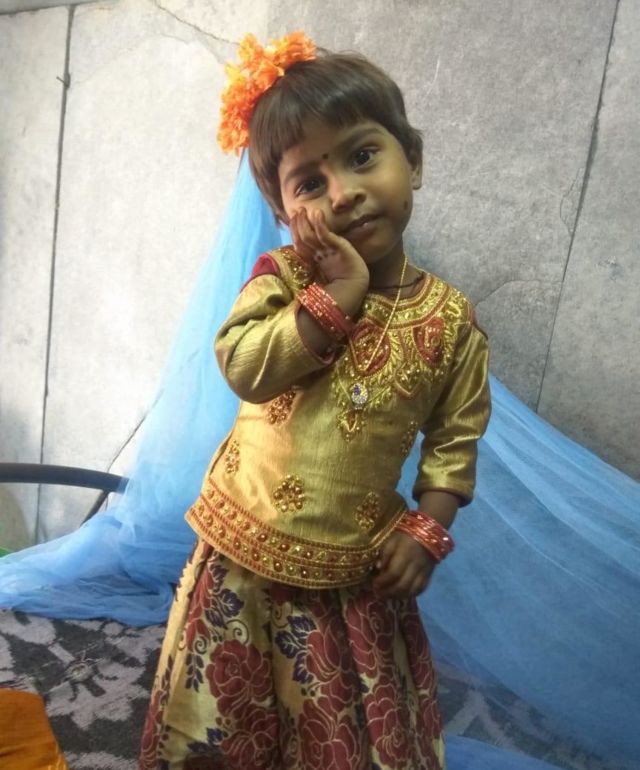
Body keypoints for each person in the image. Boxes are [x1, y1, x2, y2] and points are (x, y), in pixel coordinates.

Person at [139, 32, 490, 770]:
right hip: (241, 551)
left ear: (413, 160)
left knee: (339, 728)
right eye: (309, 183)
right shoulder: (282, 279)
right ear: (283, 211)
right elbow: (244, 366)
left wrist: (429, 529)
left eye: (362, 156)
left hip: (353, 575)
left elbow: (455, 441)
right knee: (227, 720)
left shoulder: (451, 323)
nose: (343, 192)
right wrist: (337, 297)